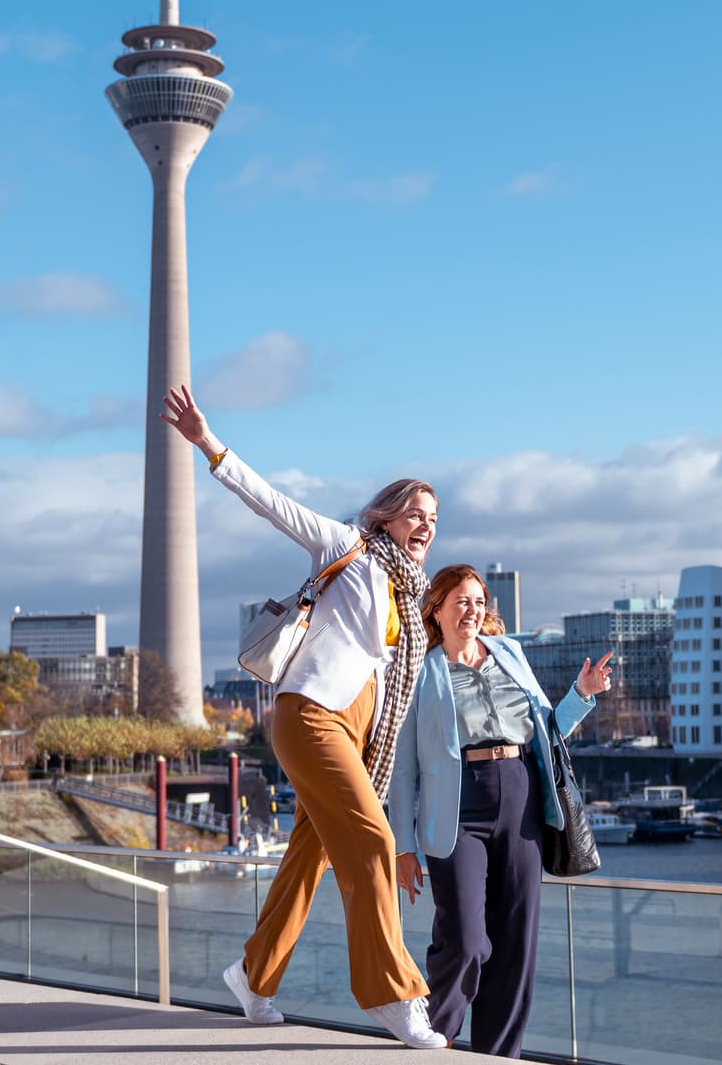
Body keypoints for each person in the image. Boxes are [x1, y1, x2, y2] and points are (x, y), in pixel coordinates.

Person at [158, 384, 445, 1050]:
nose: (425, 523)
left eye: (433, 516)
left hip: (356, 730)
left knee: (307, 861)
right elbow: (271, 502)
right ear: (385, 516)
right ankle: (392, 993)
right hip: (311, 714)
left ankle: (254, 976)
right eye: (414, 512)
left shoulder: (412, 593)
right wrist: (209, 443)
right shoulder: (348, 547)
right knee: (373, 842)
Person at [387, 564, 612, 1057]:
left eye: (478, 600)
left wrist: (583, 695)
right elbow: (402, 773)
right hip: (458, 806)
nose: (471, 609)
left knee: (515, 937)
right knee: (465, 937)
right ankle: (435, 1036)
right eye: (460, 601)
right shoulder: (418, 672)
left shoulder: (510, 653)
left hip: (523, 794)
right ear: (437, 610)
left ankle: (497, 1054)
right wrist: (403, 847)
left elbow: (548, 731)